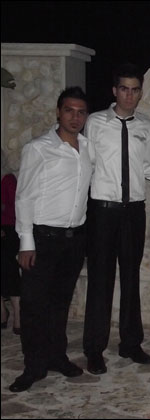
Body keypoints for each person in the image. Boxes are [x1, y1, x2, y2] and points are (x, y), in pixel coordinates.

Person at [9, 87, 92, 392]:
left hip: (74, 239)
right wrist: (26, 242)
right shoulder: (38, 148)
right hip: (42, 239)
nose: (75, 117)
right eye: (69, 110)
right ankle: (33, 366)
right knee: (34, 306)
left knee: (60, 303)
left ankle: (57, 357)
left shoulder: (88, 147)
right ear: (58, 112)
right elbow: (24, 197)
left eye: (81, 112)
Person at [83, 63, 150, 375]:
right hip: (103, 210)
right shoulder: (95, 122)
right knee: (100, 280)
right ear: (115, 91)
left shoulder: (146, 126)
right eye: (124, 89)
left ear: (140, 93)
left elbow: (148, 167)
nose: (129, 95)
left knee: (130, 278)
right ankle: (94, 349)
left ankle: (130, 343)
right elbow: (86, 164)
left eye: (135, 90)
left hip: (133, 211)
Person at [1, 167, 21, 335]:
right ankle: (2, 311)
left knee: (9, 268)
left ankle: (17, 313)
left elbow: (15, 208)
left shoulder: (8, 179)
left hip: (9, 229)